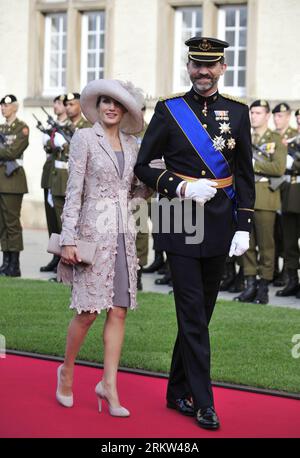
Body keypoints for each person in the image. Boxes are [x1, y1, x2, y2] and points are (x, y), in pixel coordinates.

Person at [134, 37, 255, 430]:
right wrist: (178, 186)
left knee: (200, 314)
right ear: (188, 67)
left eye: (211, 65)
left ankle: (174, 390)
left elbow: (246, 174)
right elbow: (143, 165)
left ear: (222, 68)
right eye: (195, 65)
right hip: (177, 215)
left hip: (220, 218)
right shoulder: (169, 109)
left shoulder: (237, 112)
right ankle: (203, 401)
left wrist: (245, 225)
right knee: (190, 313)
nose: (202, 72)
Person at [55, 79, 155, 416]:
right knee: (87, 312)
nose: (111, 108)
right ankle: (67, 370)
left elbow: (136, 191)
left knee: (119, 310)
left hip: (124, 235)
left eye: (117, 103)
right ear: (97, 107)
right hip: (91, 234)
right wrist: (68, 238)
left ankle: (109, 385)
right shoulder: (84, 139)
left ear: (126, 110)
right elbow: (74, 193)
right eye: (105, 102)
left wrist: (152, 185)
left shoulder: (133, 144)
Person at [235, 100, 286, 304]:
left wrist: (254, 163)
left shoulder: (275, 139)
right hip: (245, 197)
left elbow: (279, 168)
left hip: (265, 197)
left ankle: (263, 286)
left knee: (266, 245)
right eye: (252, 112)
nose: (254, 116)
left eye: (258, 113)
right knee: (246, 243)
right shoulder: (243, 137)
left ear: (267, 116)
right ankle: (249, 284)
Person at [0, 95, 29, 277]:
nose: (3, 108)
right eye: (2, 105)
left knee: (12, 223)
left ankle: (15, 264)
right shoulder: (1, 128)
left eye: (6, 105)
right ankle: (6, 262)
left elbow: (13, 152)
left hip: (13, 180)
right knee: (2, 224)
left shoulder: (21, 128)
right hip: (1, 179)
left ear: (15, 107)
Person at [40, 94, 68, 273]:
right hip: (52, 176)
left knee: (63, 221)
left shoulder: (76, 127)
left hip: (66, 177)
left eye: (60, 103)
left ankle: (63, 258)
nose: (56, 106)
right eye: (55, 103)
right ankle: (56, 255)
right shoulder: (53, 127)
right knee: (52, 220)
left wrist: (63, 144)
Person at [271, 103, 298, 286]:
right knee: (285, 238)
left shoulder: (292, 139)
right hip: (282, 191)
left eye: (280, 116)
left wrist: (289, 163)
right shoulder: (285, 139)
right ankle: (290, 278)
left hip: (292, 190)